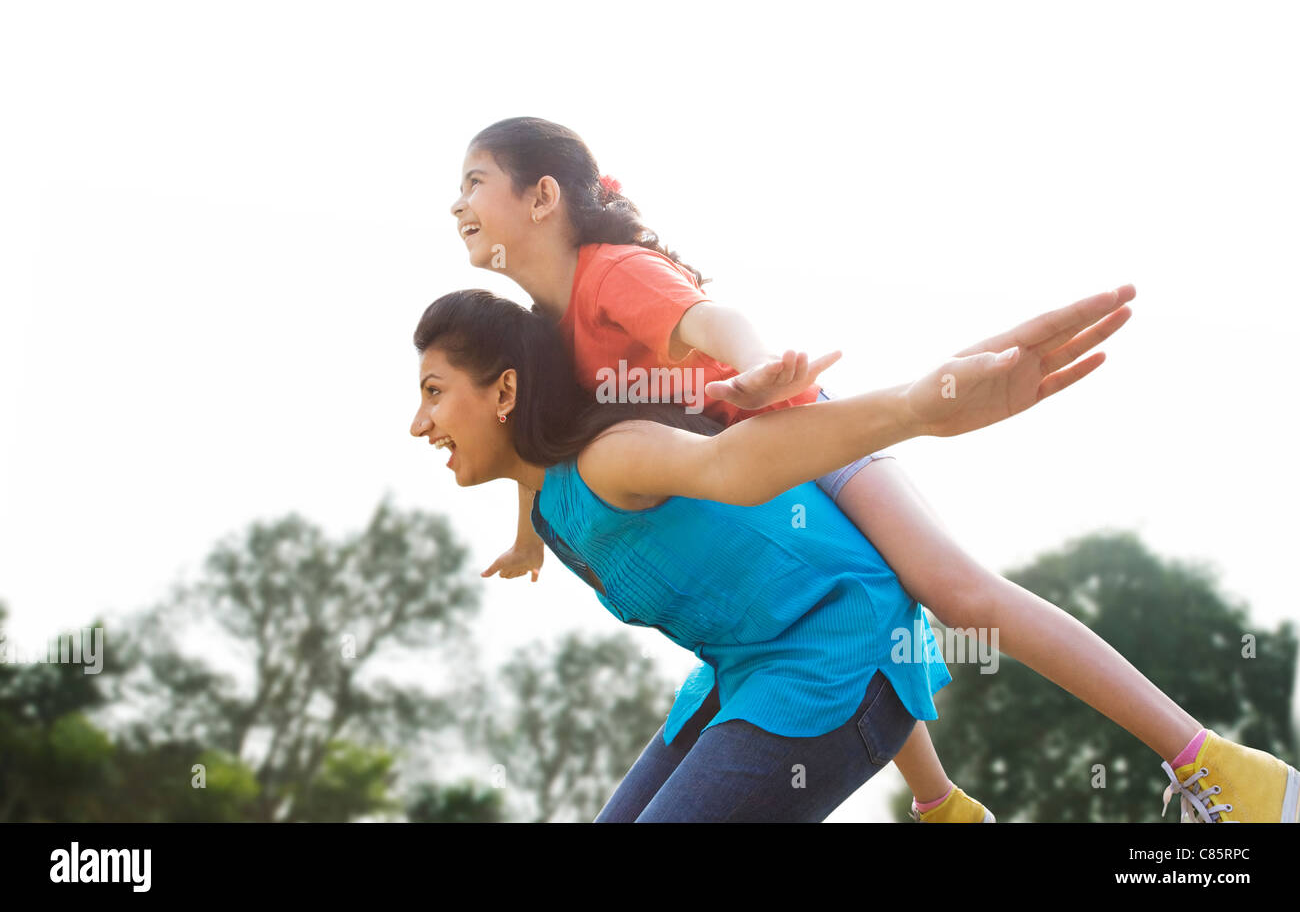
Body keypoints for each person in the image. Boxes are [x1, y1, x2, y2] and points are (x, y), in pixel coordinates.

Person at [409, 286, 1299, 823]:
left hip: (811, 533)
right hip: (754, 656)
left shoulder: (609, 442)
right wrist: (526, 544)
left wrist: (921, 401)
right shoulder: (546, 480)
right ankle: (948, 808)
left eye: (434, 393)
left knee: (953, 594)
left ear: (507, 390)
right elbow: (543, 482)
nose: (418, 422)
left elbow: (726, 455)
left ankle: (1217, 767)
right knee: (898, 595)